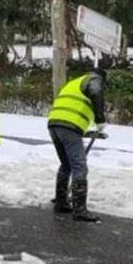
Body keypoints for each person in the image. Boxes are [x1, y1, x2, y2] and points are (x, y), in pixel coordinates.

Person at [47, 69, 107, 222]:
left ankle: (61, 202)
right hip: (69, 127)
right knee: (79, 166)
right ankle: (80, 210)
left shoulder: (75, 83)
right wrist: (100, 119)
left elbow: (75, 108)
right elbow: (96, 92)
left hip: (54, 124)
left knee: (66, 164)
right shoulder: (94, 80)